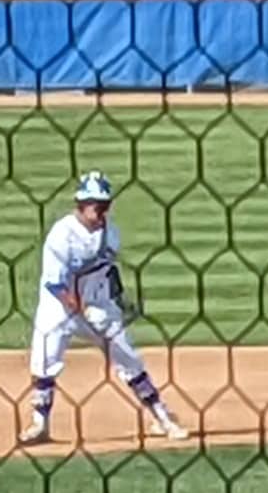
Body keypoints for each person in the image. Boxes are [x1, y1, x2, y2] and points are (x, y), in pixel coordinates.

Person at [22, 170, 186, 444]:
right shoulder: (62, 235)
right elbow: (55, 284)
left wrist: (119, 301)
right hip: (58, 308)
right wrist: (80, 308)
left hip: (98, 305)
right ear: (81, 204)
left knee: (129, 360)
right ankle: (40, 425)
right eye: (97, 206)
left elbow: (108, 271)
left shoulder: (111, 234)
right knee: (44, 361)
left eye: (106, 205)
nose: (102, 211)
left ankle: (162, 418)